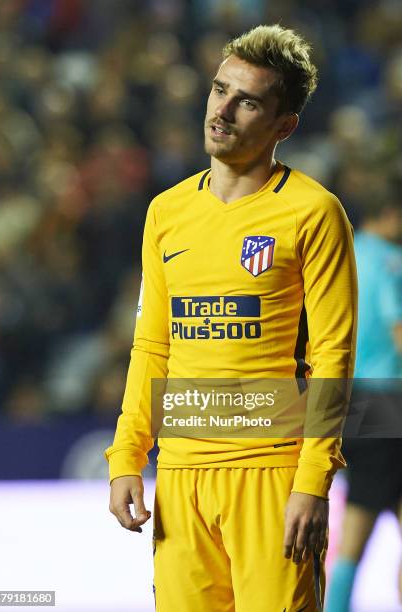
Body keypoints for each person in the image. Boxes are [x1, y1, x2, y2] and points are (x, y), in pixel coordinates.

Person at [106, 24, 357, 611]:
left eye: (247, 101)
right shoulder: (165, 212)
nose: (222, 110)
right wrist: (126, 457)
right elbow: (153, 346)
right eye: (219, 90)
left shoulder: (313, 212)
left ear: (283, 126)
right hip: (183, 474)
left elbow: (333, 356)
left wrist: (312, 483)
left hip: (272, 474)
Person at [325, 196, 402, 612]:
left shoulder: (344, 256)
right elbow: (399, 332)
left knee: (356, 518)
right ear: (390, 213)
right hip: (388, 402)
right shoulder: (392, 261)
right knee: (357, 524)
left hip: (344, 400)